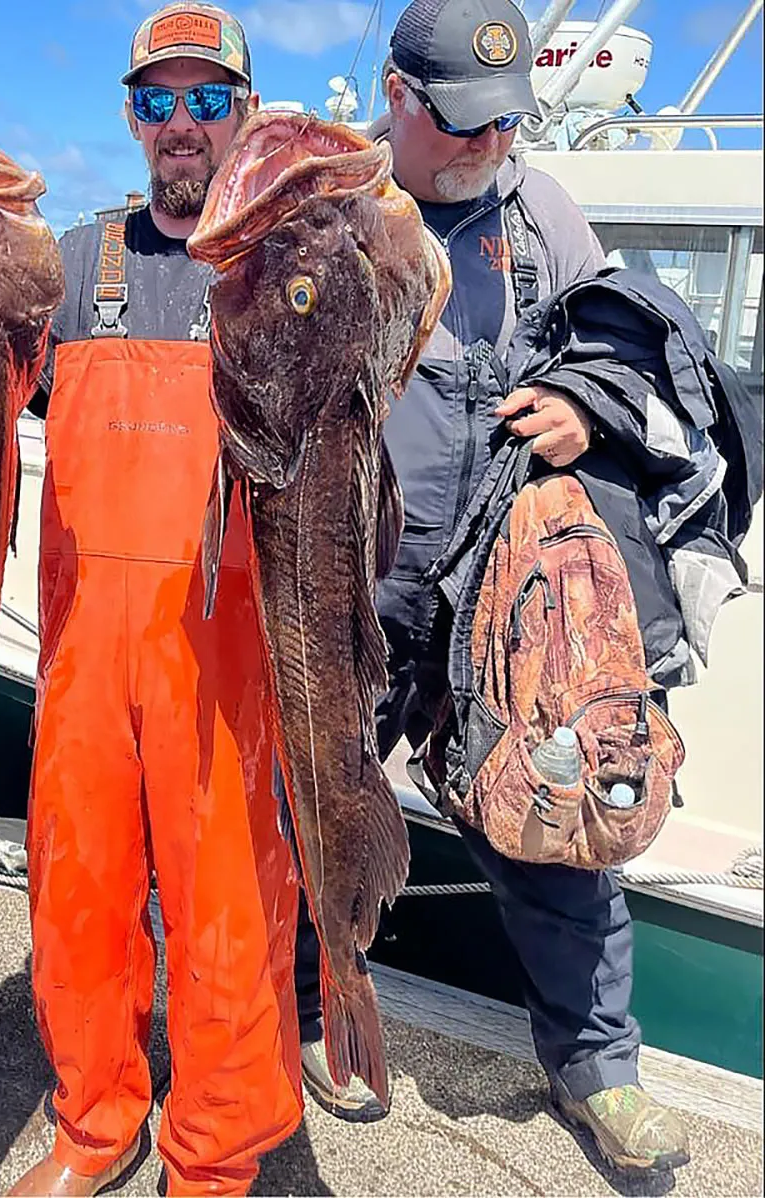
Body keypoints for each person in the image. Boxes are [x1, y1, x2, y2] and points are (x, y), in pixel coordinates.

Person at [293, 0, 692, 1174]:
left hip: (494, 593)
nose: (486, 145)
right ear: (401, 100)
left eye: (506, 124)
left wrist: (585, 404)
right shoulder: (339, 210)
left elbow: (620, 343)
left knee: (557, 832)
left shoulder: (543, 213)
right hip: (352, 583)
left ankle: (598, 1072)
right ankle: (321, 1007)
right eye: (463, 122)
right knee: (317, 805)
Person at [9, 6, 304, 1195]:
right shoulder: (75, 266)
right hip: (85, 656)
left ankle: (215, 1153)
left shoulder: (288, 263)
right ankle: (95, 1121)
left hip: (226, 667)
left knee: (229, 910)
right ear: (132, 119)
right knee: (75, 891)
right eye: (157, 102)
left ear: (244, 110)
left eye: (205, 99)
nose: (181, 126)